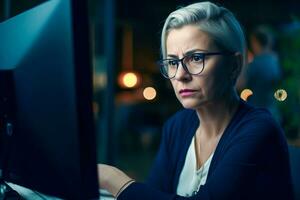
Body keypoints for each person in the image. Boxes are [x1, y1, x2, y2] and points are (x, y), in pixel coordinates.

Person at [98, 2, 294, 200]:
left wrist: (113, 180)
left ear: (233, 65)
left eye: (196, 58)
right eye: (173, 62)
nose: (180, 75)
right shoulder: (177, 126)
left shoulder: (260, 130)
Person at [246, 26, 282, 121]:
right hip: (273, 112)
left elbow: (240, 84)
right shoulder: (276, 61)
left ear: (255, 42)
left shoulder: (256, 63)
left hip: (257, 112)